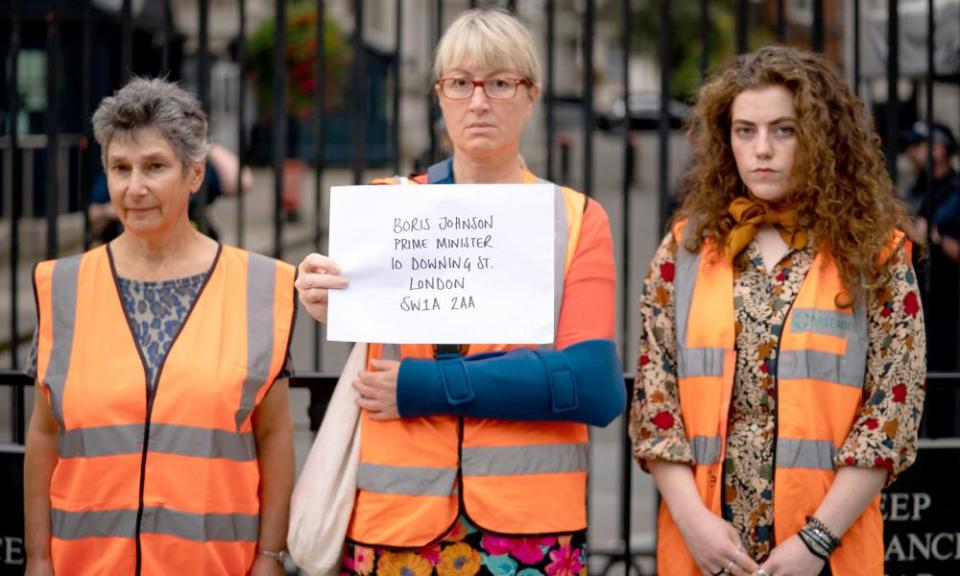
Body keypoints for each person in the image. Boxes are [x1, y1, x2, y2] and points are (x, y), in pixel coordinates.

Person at [294, 8, 625, 573]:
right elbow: (371, 328)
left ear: (531, 96)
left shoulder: (574, 218)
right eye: (460, 83)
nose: (478, 102)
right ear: (439, 95)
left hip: (527, 529)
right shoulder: (386, 207)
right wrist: (323, 296)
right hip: (396, 524)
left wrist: (424, 387)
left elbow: (593, 386)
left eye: (500, 83)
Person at [630, 46, 925, 576]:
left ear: (820, 137)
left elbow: (890, 418)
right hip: (706, 551)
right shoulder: (685, 251)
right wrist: (694, 524)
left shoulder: (877, 255)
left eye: (784, 130)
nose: (762, 149)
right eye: (745, 130)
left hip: (826, 556)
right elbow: (657, 405)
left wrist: (815, 541)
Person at [23, 78, 296, 576]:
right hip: (86, 566)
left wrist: (269, 556)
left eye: (154, 166)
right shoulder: (62, 285)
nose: (135, 187)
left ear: (195, 175)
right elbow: (44, 435)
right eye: (120, 169)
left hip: (214, 566)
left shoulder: (260, 285)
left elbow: (275, 434)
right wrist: (39, 558)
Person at [902, 121, 960, 371]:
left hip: (950, 300)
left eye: (918, 145)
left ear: (940, 150)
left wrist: (933, 236)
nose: (911, 152)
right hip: (920, 297)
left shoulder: (955, 192)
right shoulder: (918, 189)